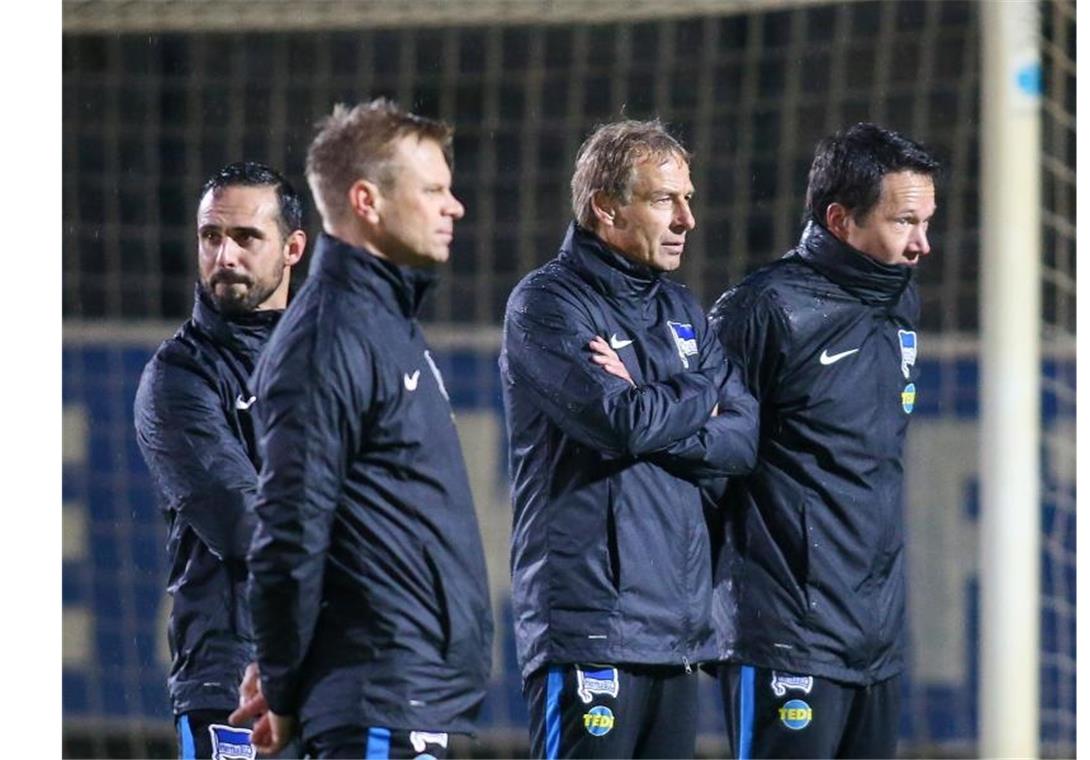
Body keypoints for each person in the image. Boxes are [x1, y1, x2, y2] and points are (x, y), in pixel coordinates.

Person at [227, 98, 493, 759]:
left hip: (411, 697)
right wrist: (284, 688)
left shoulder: (387, 327)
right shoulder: (330, 337)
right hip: (376, 697)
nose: (453, 205)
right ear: (367, 202)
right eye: (433, 189)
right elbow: (288, 535)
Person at [500, 119, 759, 759]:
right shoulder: (547, 304)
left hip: (677, 630)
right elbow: (619, 422)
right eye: (665, 199)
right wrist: (702, 388)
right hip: (590, 627)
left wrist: (652, 403)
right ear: (607, 207)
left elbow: (741, 441)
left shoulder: (685, 312)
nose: (686, 220)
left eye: (688, 198)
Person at [707, 122, 939, 759]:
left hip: (877, 644)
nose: (922, 244)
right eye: (904, 222)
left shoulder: (900, 305)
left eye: (927, 222)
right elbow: (705, 465)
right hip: (786, 634)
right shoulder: (764, 311)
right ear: (840, 219)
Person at [133, 161, 307, 759]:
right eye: (211, 236)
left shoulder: (332, 363)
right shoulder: (178, 378)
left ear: (293, 249)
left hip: (338, 674)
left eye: (246, 237)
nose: (225, 254)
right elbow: (242, 524)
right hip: (230, 678)